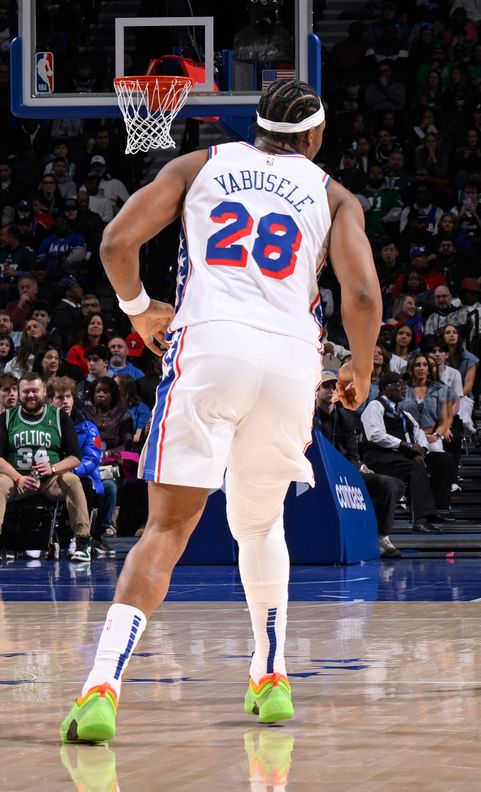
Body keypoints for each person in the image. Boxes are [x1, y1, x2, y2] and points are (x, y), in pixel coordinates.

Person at [61, 79, 382, 744]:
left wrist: (137, 307)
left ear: (254, 127)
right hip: (292, 359)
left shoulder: (200, 164)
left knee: (166, 532)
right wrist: (361, 367)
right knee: (259, 525)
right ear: (316, 138)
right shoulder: (334, 194)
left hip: (210, 346)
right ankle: (270, 677)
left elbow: (118, 242)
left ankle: (101, 689)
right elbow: (363, 293)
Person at [313, 372, 405, 559]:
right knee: (387, 485)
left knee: (394, 484)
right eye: (326, 386)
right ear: (316, 390)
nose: (331, 390)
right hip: (318, 474)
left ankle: (381, 537)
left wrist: (356, 468)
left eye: (334, 386)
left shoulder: (344, 417)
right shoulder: (308, 416)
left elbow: (353, 452)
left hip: (345, 472)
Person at [0, 371, 91, 561]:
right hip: (16, 479)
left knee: (73, 480)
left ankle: (82, 541)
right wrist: (18, 477)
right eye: (26, 391)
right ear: (18, 393)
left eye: (35, 390)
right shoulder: (6, 418)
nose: (31, 395)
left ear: (43, 392)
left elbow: (75, 457)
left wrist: (53, 468)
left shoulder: (59, 417)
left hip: (50, 479)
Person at [360, 372, 454, 534]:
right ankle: (420, 520)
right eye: (397, 384)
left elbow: (419, 434)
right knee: (415, 468)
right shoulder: (375, 406)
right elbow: (375, 434)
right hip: (379, 456)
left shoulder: (405, 414)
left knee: (444, 459)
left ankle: (436, 509)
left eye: (403, 384)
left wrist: (421, 451)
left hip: (402, 456)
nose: (403, 387)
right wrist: (407, 446)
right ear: (385, 389)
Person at [47, 375, 116, 557]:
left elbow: (92, 459)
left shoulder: (88, 428)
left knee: (86, 483)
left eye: (68, 396)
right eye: (60, 397)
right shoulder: (44, 426)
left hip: (79, 475)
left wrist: (69, 469)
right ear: (50, 400)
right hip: (50, 477)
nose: (65, 401)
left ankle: (86, 538)